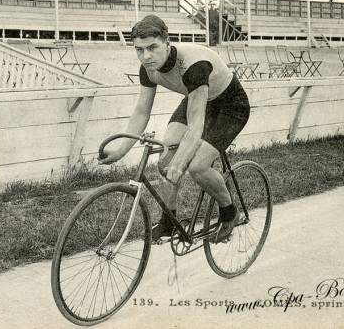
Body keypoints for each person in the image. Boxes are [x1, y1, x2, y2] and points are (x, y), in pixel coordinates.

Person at [99, 15, 250, 243]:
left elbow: (196, 124)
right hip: (196, 97)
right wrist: (121, 151)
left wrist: (179, 167)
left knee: (197, 167)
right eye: (139, 50)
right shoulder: (148, 68)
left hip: (230, 105)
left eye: (152, 47)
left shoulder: (193, 65)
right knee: (165, 162)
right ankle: (169, 221)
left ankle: (229, 212)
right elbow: (141, 112)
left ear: (167, 42)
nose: (146, 56)